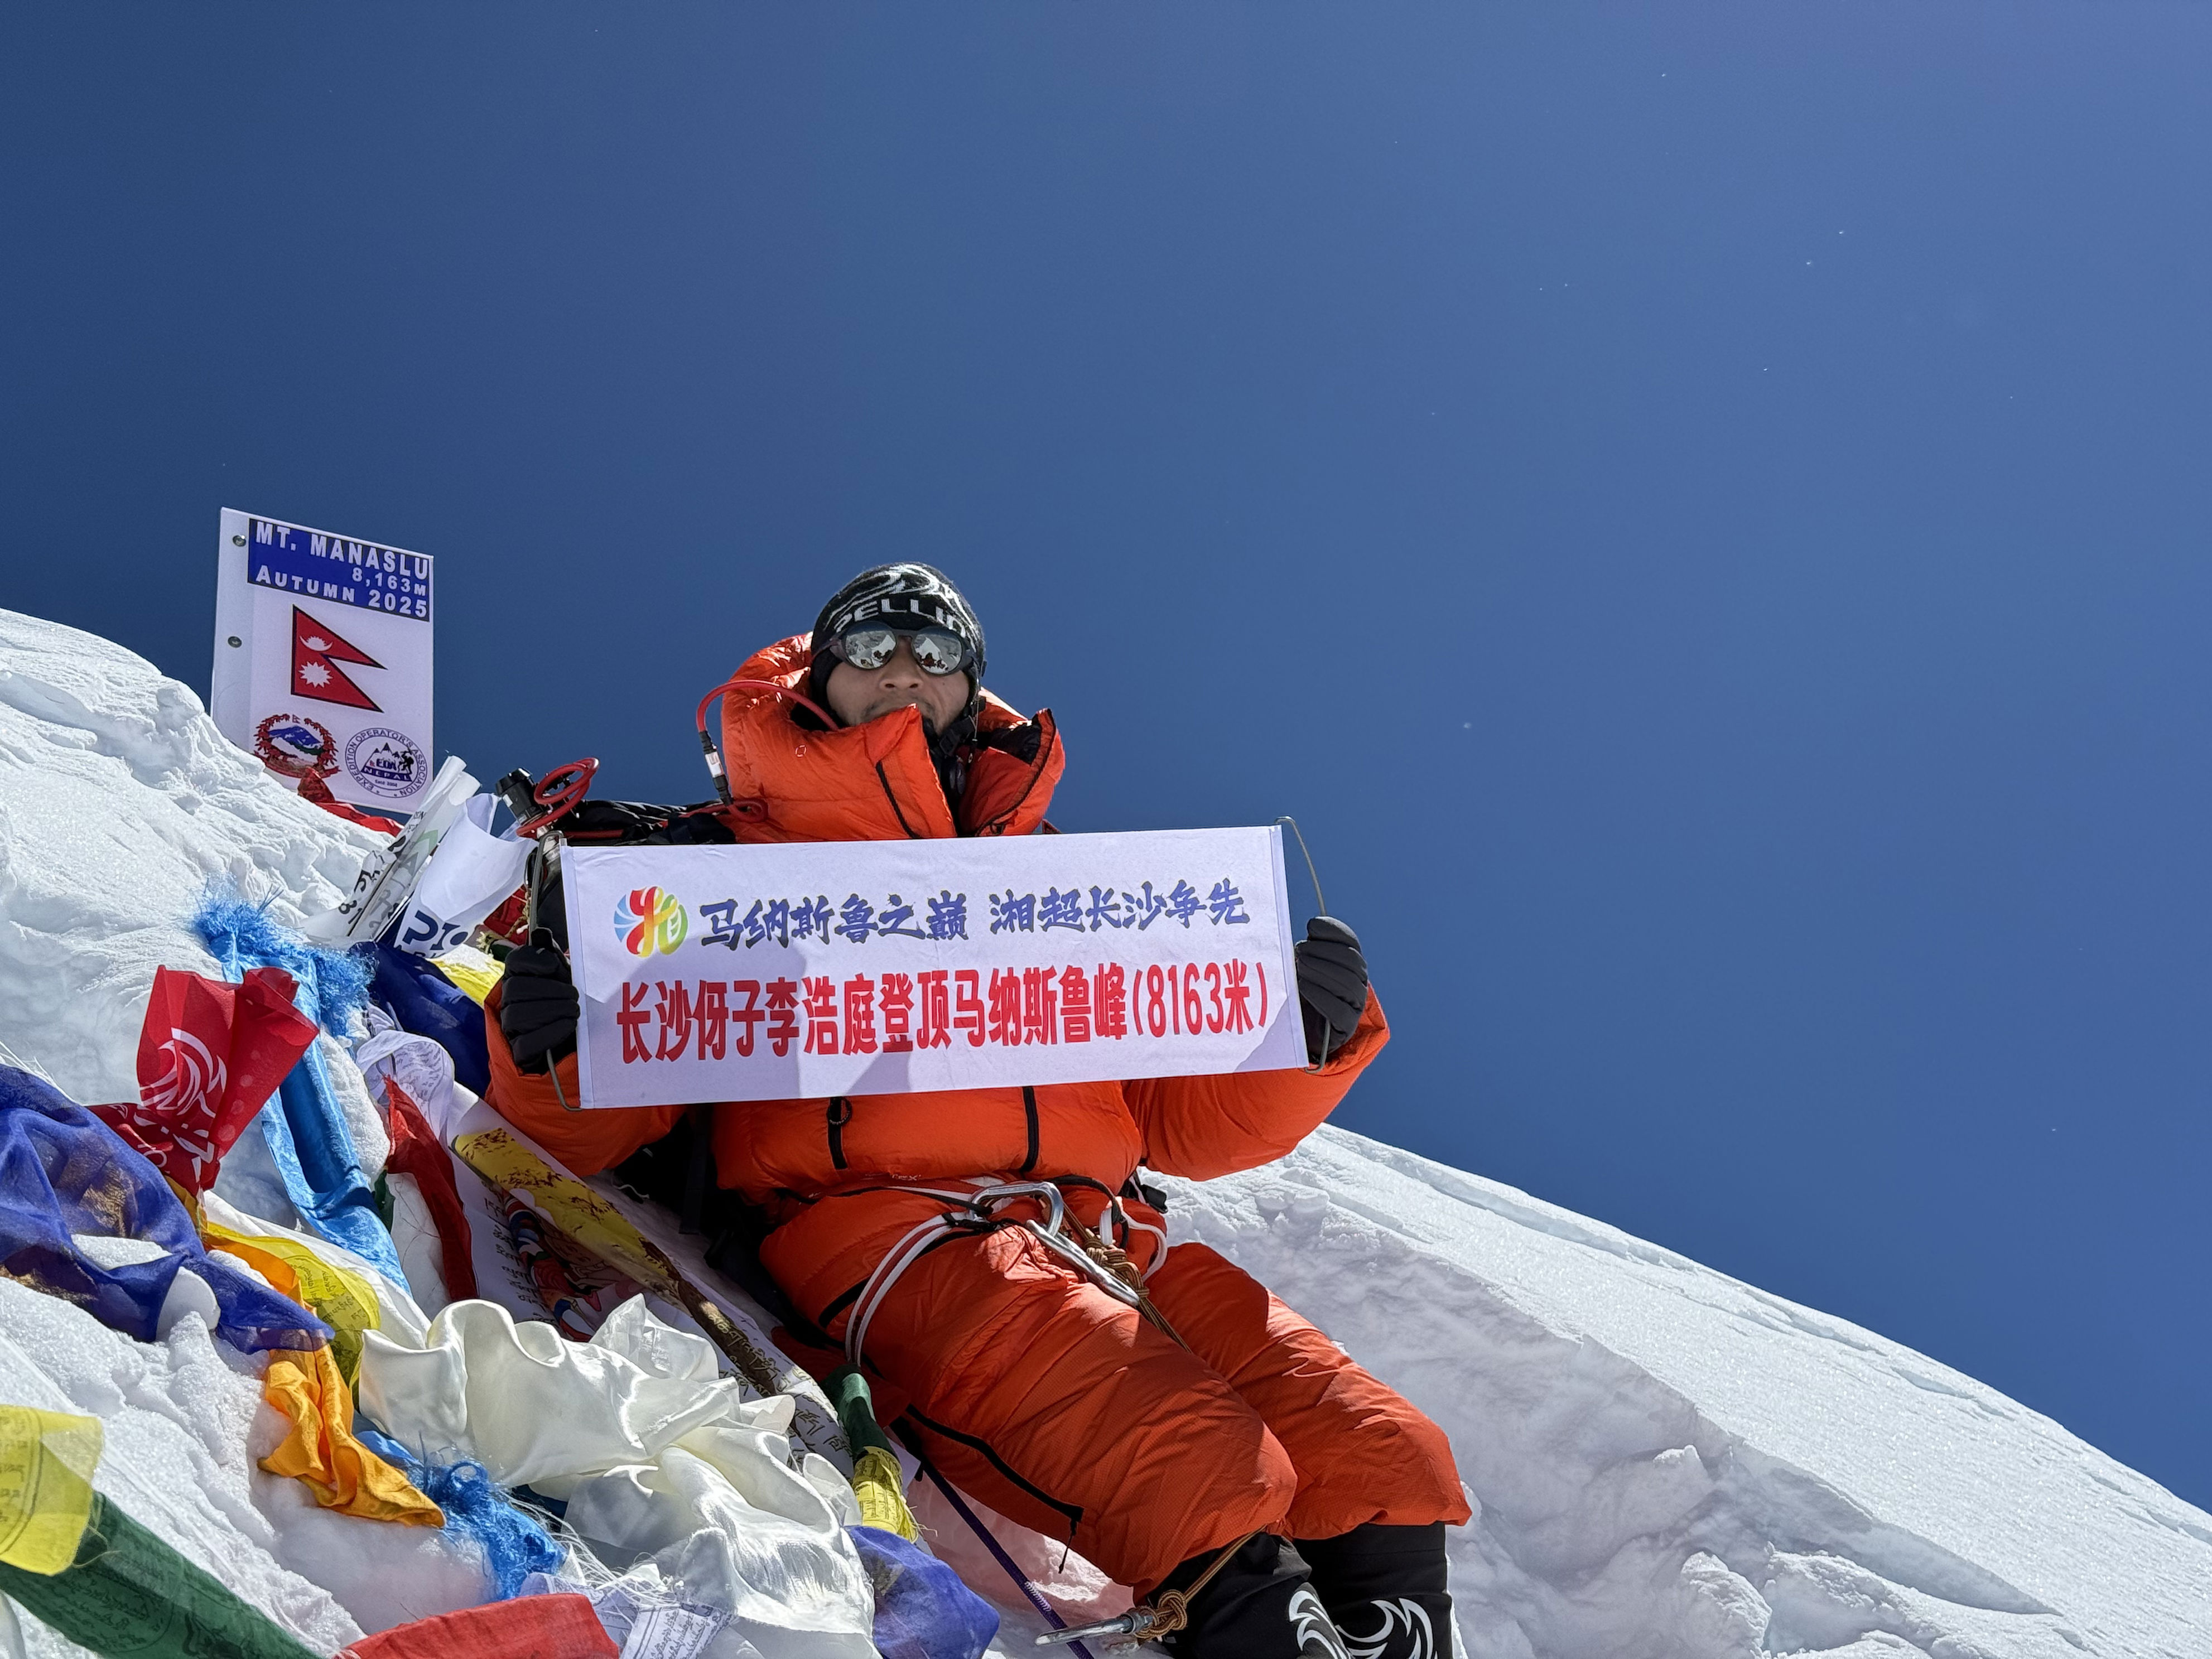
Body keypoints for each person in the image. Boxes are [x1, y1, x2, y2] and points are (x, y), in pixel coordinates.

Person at [485, 564, 1470, 1658]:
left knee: (1386, 1454)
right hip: (891, 1235)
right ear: (821, 672)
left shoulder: (1059, 891)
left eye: (934, 652)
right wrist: (557, 1047)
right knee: (1196, 1467)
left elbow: (1183, 1122)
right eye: (869, 648)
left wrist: (1304, 1042)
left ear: (969, 686)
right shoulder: (721, 868)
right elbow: (598, 1126)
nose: (903, 670)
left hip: (1108, 1239)